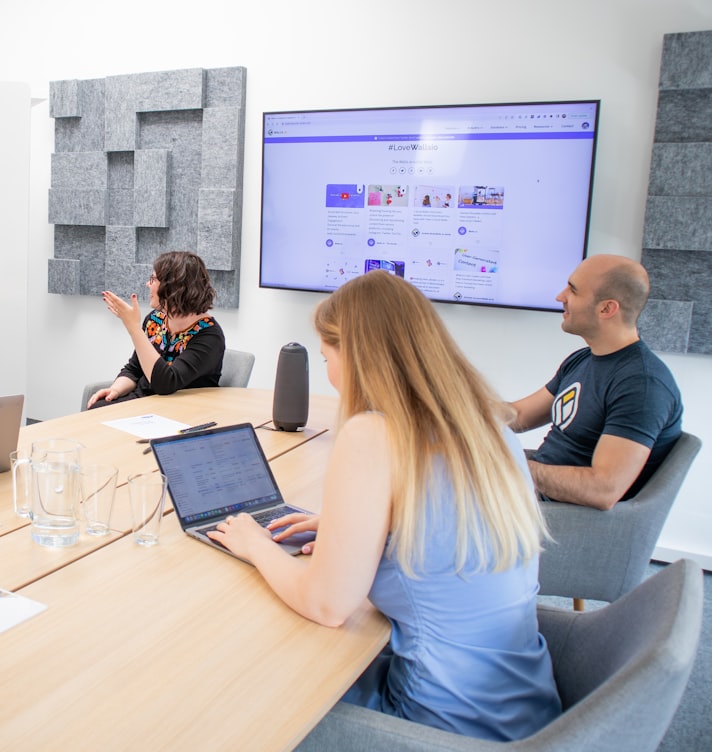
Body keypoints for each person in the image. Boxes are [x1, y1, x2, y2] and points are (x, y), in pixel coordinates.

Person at [212, 271, 560, 742]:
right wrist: (347, 530)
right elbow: (440, 527)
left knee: (242, 686)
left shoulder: (373, 434)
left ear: (355, 354)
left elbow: (327, 605)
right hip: (525, 707)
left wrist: (255, 544)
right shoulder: (489, 427)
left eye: (327, 356)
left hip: (440, 724)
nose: (329, 373)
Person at [509, 254, 683, 510]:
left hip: (558, 518)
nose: (560, 297)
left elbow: (602, 489)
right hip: (529, 497)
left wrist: (511, 467)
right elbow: (521, 415)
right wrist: (451, 413)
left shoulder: (642, 385)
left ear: (606, 309)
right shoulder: (583, 360)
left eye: (573, 290)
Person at [87, 251, 225, 408]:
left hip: (179, 411)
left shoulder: (209, 336)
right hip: (145, 402)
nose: (148, 284)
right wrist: (114, 390)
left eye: (153, 279)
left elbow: (166, 383)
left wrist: (133, 328)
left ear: (173, 287)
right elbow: (134, 369)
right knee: (97, 407)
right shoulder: (155, 320)